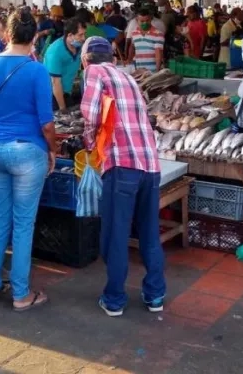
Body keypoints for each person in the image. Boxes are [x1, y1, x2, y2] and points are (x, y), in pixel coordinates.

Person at [0, 11, 54, 311]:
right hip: (26, 152)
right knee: (22, 225)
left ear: (6, 34)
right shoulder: (36, 70)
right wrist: (52, 150)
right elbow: (47, 123)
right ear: (34, 37)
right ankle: (20, 294)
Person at [79, 36, 165, 317]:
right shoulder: (127, 77)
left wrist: (89, 143)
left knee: (116, 234)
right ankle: (155, 296)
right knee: (150, 233)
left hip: (122, 164)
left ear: (85, 59)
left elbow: (90, 115)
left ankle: (114, 299)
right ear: (113, 58)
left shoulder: (93, 72)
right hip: (150, 166)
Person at [44, 18, 86, 111]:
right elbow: (55, 83)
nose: (84, 38)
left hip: (67, 91)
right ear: (70, 35)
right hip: (52, 95)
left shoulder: (78, 46)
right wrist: (62, 109)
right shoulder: (55, 51)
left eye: (84, 34)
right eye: (80, 35)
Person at [128, 6, 165, 72]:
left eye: (147, 20)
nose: (145, 23)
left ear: (151, 19)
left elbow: (158, 53)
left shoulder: (158, 34)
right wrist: (129, 61)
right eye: (142, 21)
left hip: (153, 72)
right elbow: (132, 47)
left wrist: (157, 71)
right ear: (137, 20)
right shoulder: (134, 33)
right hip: (139, 71)